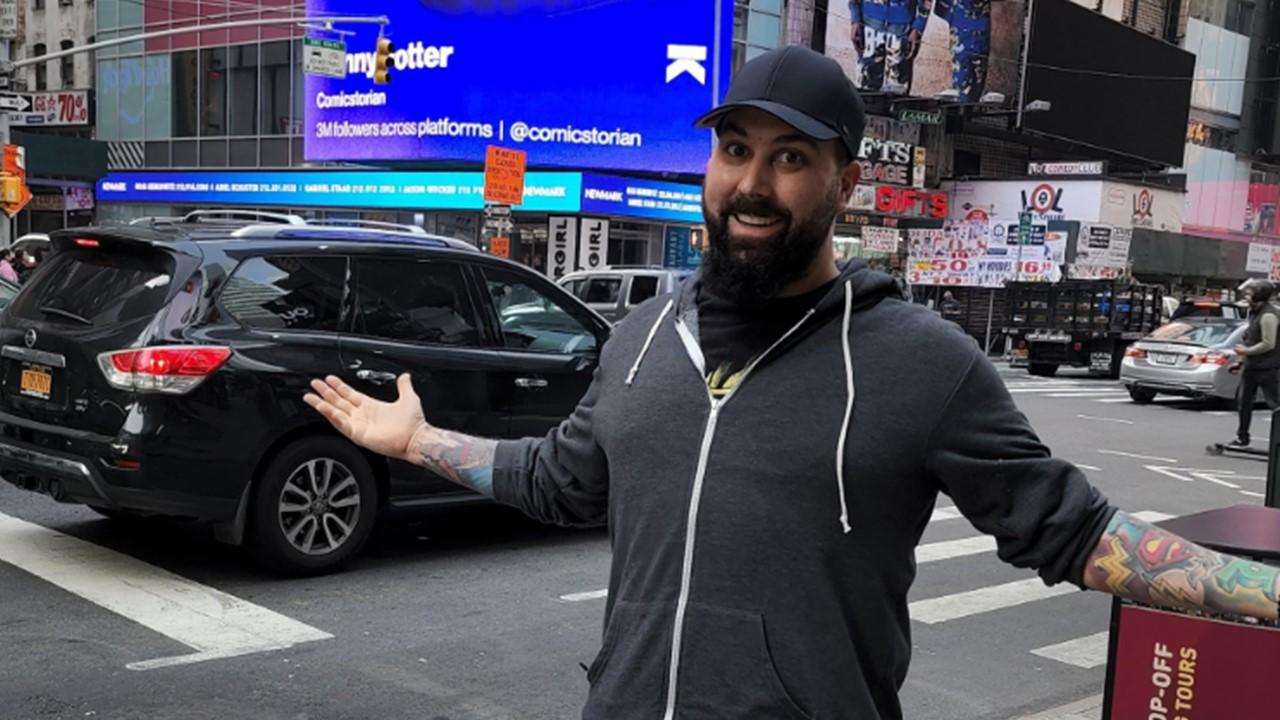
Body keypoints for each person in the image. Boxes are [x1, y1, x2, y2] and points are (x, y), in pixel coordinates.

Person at [305, 46, 1280, 720]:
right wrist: (418, 442)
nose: (752, 184)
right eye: (734, 151)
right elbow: (562, 482)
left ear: (842, 181)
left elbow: (1076, 534)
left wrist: (1265, 597)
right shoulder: (639, 340)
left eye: (789, 158)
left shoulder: (920, 365)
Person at [1230, 278, 1280, 447]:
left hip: (1269, 368)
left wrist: (1246, 352)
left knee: (1275, 405)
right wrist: (1239, 361)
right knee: (1243, 402)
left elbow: (1268, 343)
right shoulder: (1254, 313)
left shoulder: (1268, 315)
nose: (1247, 295)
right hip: (1252, 367)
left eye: (1250, 292)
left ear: (1260, 295)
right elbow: (1249, 340)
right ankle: (1242, 437)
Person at [850, 0, 931, 95]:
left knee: (898, 93)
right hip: (869, 27)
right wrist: (855, 18)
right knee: (866, 92)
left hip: (902, 31)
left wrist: (918, 27)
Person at [933, 0, 992, 102]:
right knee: (961, 82)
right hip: (961, 27)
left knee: (975, 84)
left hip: (976, 32)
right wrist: (952, 17)